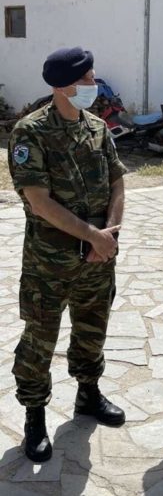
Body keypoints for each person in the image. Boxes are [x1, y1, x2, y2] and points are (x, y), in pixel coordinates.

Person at [8, 46, 127, 463]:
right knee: (39, 339)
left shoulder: (98, 127)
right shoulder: (31, 132)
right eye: (87, 79)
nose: (94, 85)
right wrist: (93, 236)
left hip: (98, 258)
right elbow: (39, 201)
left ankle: (88, 394)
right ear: (63, 86)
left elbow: (118, 182)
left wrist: (108, 236)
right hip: (49, 263)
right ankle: (34, 416)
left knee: (93, 328)